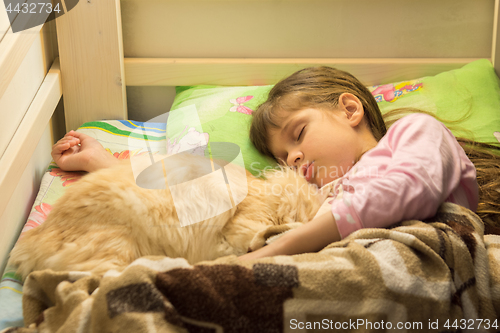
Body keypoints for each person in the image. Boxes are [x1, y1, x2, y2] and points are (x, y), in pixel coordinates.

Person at [52, 67, 500, 261]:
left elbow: (408, 187)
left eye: (299, 134)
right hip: (332, 258)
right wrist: (110, 166)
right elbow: (204, 198)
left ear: (349, 109)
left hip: (419, 253)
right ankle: (112, 169)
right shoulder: (313, 192)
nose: (294, 159)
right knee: (228, 181)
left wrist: (278, 250)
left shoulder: (416, 135)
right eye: (284, 157)